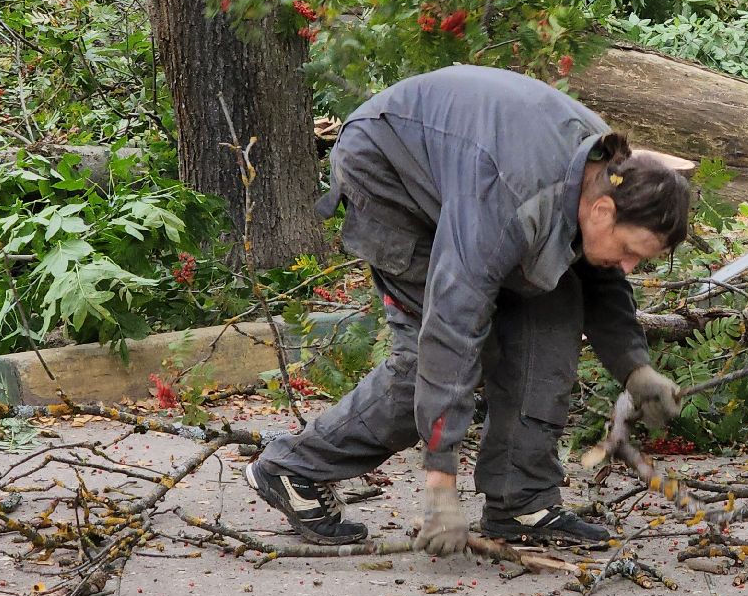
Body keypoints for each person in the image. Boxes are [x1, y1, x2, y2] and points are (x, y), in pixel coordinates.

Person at [247, 65, 691, 552]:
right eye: (632, 251)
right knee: (437, 356)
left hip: (472, 168)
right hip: (387, 171)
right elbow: (451, 327)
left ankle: (520, 499)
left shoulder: (602, 181)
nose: (628, 267)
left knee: (554, 311)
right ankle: (294, 469)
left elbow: (601, 277)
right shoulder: (513, 199)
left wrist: (636, 369)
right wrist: (440, 486)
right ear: (603, 211)